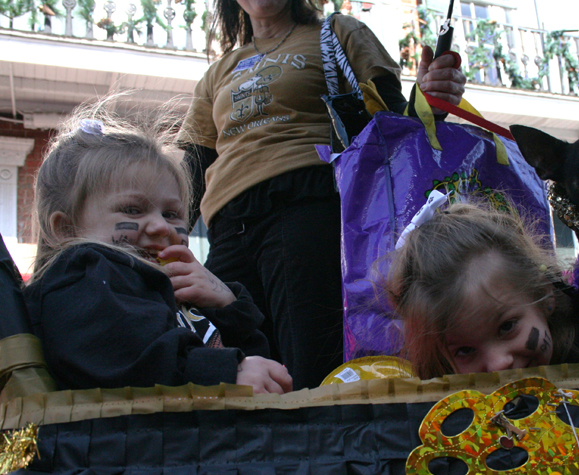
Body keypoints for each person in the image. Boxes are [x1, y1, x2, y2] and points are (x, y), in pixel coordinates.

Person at [179, 0, 467, 390]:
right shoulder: (217, 72)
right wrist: (167, 232)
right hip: (227, 227)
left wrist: (430, 99)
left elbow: (394, 125)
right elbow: (194, 167)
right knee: (233, 367)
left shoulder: (338, 32)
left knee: (310, 362)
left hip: (307, 205)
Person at [25, 105, 292, 394]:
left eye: (171, 214)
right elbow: (126, 360)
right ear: (66, 229)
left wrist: (227, 307)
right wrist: (224, 373)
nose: (160, 227)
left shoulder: (177, 292)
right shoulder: (83, 276)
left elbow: (260, 366)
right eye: (132, 210)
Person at [385, 203, 574, 380]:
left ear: (543, 294)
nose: (498, 364)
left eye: (507, 327)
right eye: (465, 350)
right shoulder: (442, 409)